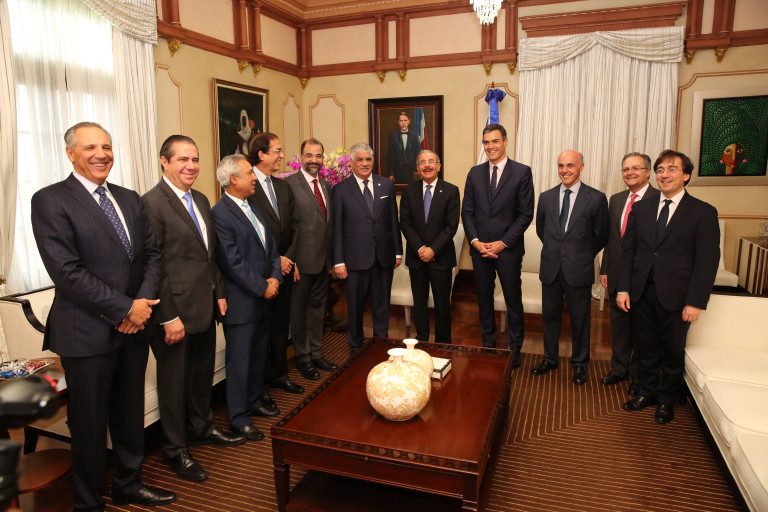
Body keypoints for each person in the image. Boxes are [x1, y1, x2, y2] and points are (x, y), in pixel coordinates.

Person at [31, 122, 176, 511]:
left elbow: (152, 255)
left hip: (134, 329)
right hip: (86, 333)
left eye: (107, 147)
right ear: (70, 153)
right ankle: (88, 501)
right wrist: (125, 308)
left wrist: (141, 305)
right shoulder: (50, 200)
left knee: (129, 416)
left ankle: (129, 484)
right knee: (90, 426)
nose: (101, 154)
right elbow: (67, 272)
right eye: (91, 147)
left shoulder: (129, 198)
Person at [141, 135, 245, 483]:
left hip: (204, 306)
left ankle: (203, 428)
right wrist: (168, 316)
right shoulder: (151, 204)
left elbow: (209, 255)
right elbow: (153, 267)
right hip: (173, 315)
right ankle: (175, 450)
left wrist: (220, 292)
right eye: (182, 159)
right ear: (164, 161)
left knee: (201, 376)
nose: (191, 166)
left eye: (195, 159)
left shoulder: (200, 199)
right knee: (173, 386)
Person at [618, 149, 719, 424]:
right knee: (645, 348)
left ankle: (666, 400)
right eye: (661, 170)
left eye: (672, 169)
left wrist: (695, 301)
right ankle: (646, 392)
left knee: (672, 351)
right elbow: (628, 252)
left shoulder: (702, 212)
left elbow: (707, 262)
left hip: (678, 296)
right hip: (641, 292)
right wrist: (623, 289)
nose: (664, 174)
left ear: (686, 176)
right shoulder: (642, 208)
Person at [211, 154, 283, 441]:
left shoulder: (254, 207)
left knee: (257, 356)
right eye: (249, 173)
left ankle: (254, 401)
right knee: (240, 363)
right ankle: (239, 418)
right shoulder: (220, 213)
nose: (255, 178)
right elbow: (232, 261)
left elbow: (271, 248)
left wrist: (274, 277)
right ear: (233, 179)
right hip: (241, 301)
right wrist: (262, 286)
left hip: (263, 297)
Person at [532, 150, 608, 385]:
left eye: (570, 165)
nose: (565, 170)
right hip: (551, 268)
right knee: (550, 318)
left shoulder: (595, 198)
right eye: (561, 166)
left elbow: (601, 235)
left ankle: (580, 364)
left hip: (579, 269)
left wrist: (580, 254)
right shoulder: (546, 197)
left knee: (580, 320)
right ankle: (550, 358)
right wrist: (558, 251)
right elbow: (542, 230)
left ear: (581, 167)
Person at [461, 124, 534, 366]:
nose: (490, 146)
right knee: (484, 300)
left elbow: (525, 214)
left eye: (495, 141)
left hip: (508, 250)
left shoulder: (522, 172)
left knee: (513, 300)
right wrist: (475, 241)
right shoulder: (474, 173)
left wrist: (503, 243)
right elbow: (467, 212)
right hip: (480, 249)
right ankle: (488, 344)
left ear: (505, 141)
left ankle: (515, 347)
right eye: (486, 142)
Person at [246, 133, 305, 400]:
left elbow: (295, 224)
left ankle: (280, 375)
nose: (282, 155)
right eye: (277, 151)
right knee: (262, 332)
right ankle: (261, 388)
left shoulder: (282, 186)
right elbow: (250, 232)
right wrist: (275, 260)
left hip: (286, 268)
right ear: (261, 154)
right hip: (261, 272)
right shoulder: (247, 186)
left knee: (281, 327)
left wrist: (288, 259)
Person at [333, 142, 403, 352]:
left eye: (368, 159)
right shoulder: (340, 190)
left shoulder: (386, 185)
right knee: (355, 307)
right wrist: (338, 261)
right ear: (352, 162)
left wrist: (397, 251)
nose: (364, 163)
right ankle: (355, 347)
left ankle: (381, 345)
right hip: (354, 260)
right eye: (360, 159)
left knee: (382, 306)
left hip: (383, 257)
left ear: (373, 160)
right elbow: (337, 228)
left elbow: (393, 220)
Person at [599, 152, 658, 393]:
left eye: (635, 168)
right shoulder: (616, 199)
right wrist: (605, 269)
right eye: (625, 169)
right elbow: (611, 239)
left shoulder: (658, 199)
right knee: (619, 327)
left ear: (648, 172)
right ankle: (618, 369)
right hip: (616, 273)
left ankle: (637, 375)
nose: (630, 173)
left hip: (643, 276)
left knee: (642, 329)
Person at [285, 138, 337, 379]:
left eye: (318, 156)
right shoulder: (289, 185)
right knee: (299, 313)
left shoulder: (326, 186)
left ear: (323, 158)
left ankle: (316, 352)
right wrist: (290, 259)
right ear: (300, 157)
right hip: (300, 263)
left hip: (322, 262)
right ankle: (303, 357)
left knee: (318, 311)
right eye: (309, 155)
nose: (314, 160)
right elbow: (286, 227)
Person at [399, 150, 460, 343]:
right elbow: (405, 224)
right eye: (422, 162)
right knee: (419, 301)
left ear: (438, 166)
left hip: (441, 257)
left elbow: (451, 226)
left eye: (431, 161)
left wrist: (432, 249)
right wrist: (421, 249)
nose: (427, 165)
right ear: (418, 168)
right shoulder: (409, 191)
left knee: (442, 303)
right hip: (417, 258)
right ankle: (422, 339)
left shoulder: (451, 190)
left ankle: (443, 341)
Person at [387, 112, 421, 184]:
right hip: (398, 172)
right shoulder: (393, 136)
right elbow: (390, 156)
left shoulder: (415, 136)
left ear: (409, 121)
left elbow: (418, 154)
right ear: (398, 122)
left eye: (405, 120)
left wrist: (419, 171)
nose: (403, 123)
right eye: (401, 121)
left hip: (412, 171)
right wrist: (391, 173)